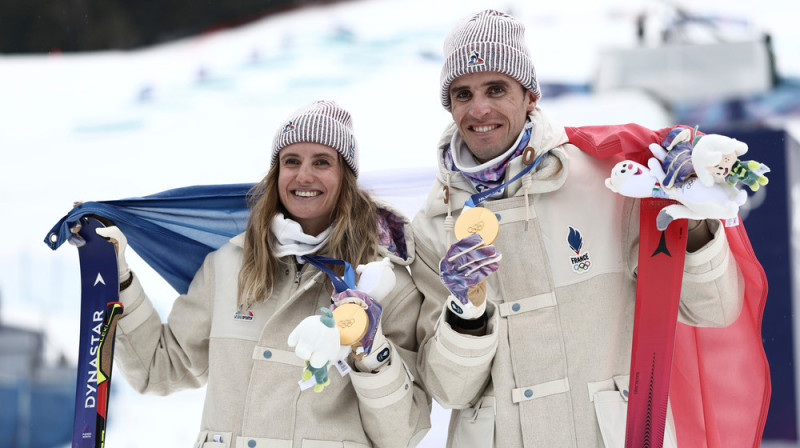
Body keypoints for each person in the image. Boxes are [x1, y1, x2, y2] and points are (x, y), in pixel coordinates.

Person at [411, 9, 765, 448]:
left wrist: (689, 220)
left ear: (530, 96)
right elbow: (449, 392)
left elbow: (713, 309)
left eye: (496, 89)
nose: (479, 109)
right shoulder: (434, 223)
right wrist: (466, 313)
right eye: (463, 94)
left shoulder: (610, 179)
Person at [97, 100, 431, 448]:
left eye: (322, 162)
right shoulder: (229, 264)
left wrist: (367, 344)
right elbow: (159, 369)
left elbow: (402, 433)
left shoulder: (384, 282)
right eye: (291, 161)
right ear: (276, 174)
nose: (304, 176)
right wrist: (119, 279)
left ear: (345, 177)